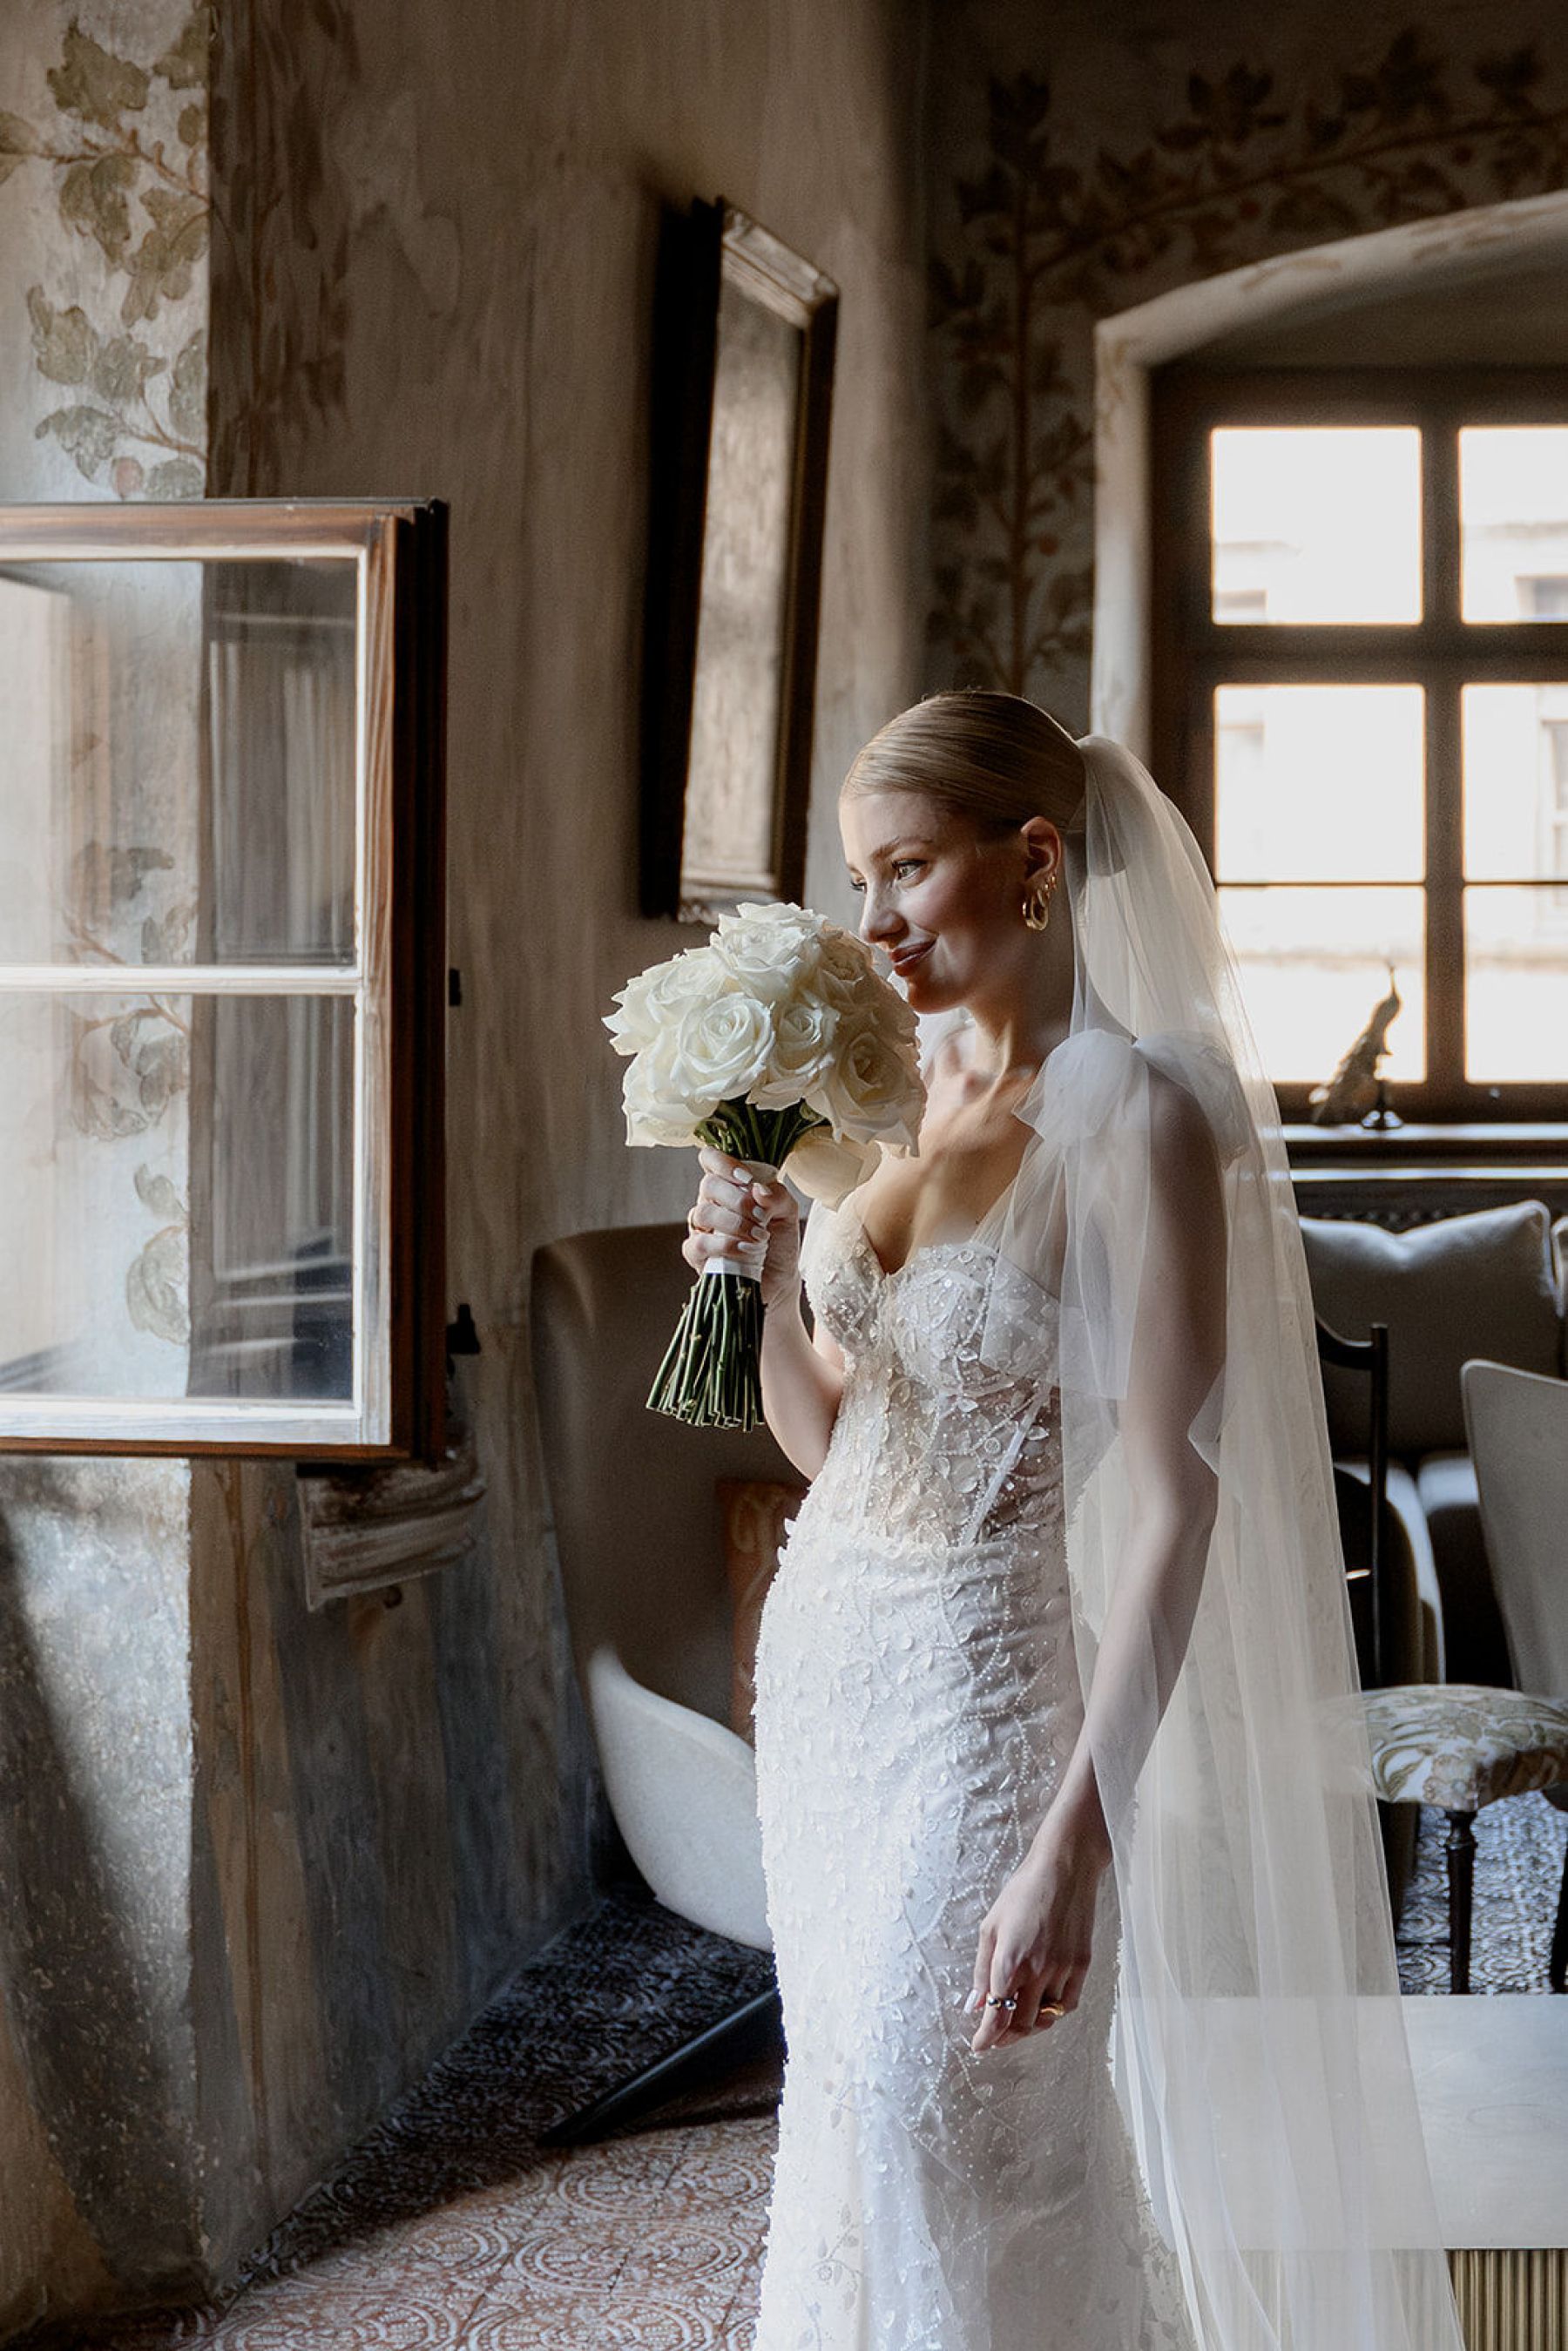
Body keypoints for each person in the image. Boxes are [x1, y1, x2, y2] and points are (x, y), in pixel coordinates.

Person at [682, 691, 1466, 2351]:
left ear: (1032, 861)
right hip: (829, 1689)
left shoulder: (1138, 1116)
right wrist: (756, 1278)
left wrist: (1074, 1844)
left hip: (990, 1711)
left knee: (945, 2126)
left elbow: (1181, 1508)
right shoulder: (889, 1100)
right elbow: (837, 1446)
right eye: (856, 880)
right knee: (852, 2133)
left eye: (906, 870)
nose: (874, 922)